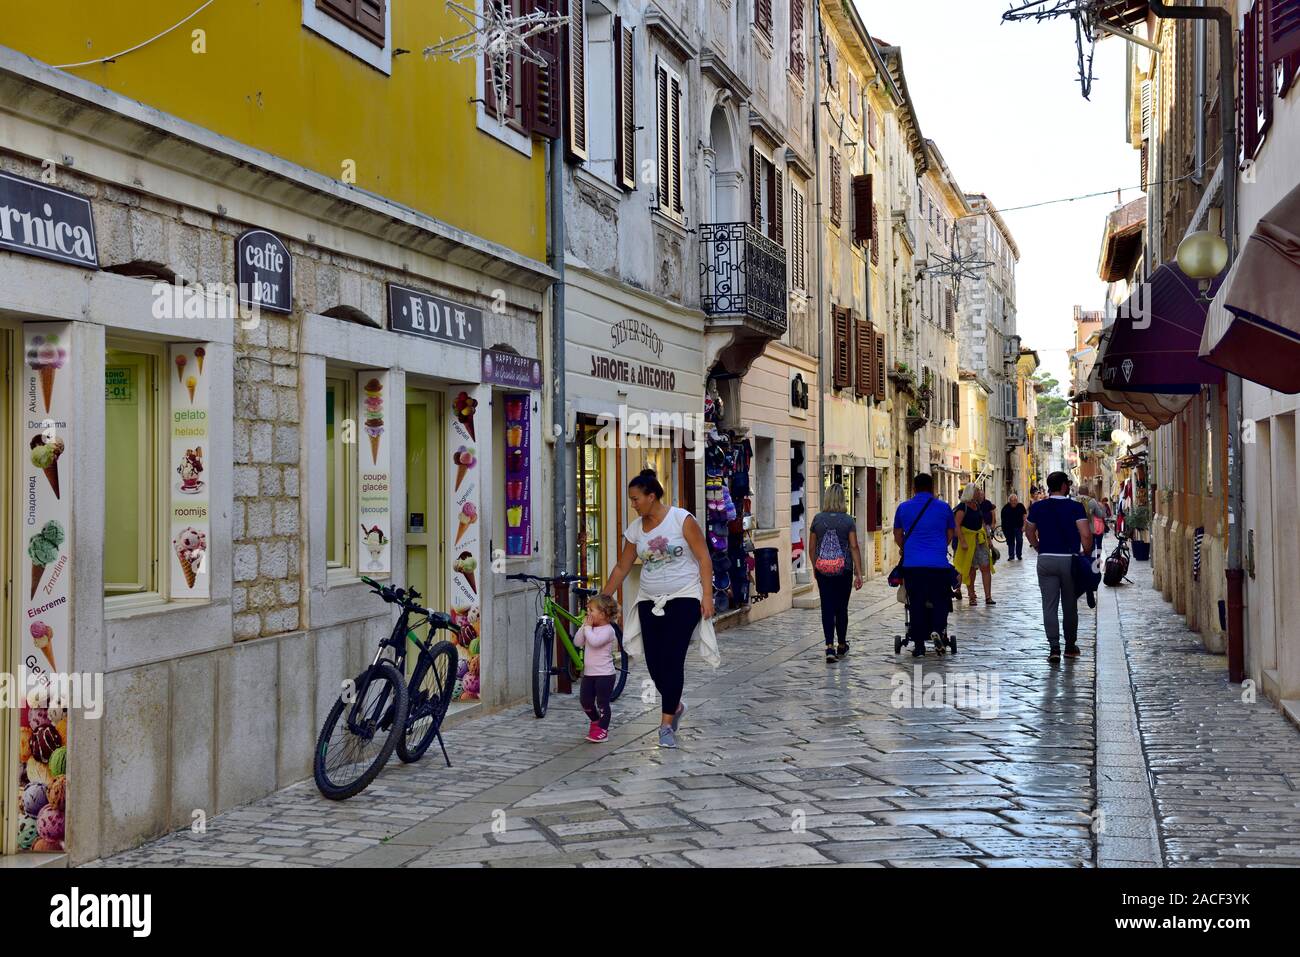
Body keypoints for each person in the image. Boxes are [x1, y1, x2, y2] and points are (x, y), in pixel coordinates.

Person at [602, 469, 716, 749]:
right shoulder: (635, 530)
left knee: (673, 658)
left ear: (652, 496)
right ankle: (675, 705)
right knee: (654, 663)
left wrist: (708, 595)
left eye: (636, 498)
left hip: (685, 596)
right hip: (649, 600)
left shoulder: (681, 520)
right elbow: (622, 566)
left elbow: (703, 557)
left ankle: (665, 725)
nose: (633, 504)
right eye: (631, 499)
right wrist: (602, 597)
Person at [1026, 471, 1094, 662]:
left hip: (1046, 559)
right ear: (1064, 486)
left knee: (1049, 605)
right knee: (1070, 605)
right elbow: (1086, 535)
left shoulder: (1038, 507)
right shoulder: (1075, 507)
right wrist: (1086, 552)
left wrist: (1038, 546)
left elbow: (1029, 531)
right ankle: (1070, 646)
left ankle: (1054, 648)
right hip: (1069, 560)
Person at [893, 473, 957, 657]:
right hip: (938, 565)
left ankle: (919, 645)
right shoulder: (944, 508)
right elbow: (950, 533)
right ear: (933, 488)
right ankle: (937, 629)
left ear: (914, 488)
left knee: (916, 604)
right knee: (940, 600)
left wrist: (908, 548)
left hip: (913, 566)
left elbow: (897, 534)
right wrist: (937, 547)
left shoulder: (903, 508)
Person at [808, 483, 864, 662]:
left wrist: (816, 566)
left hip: (823, 570)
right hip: (843, 570)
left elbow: (811, 548)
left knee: (827, 607)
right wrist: (858, 572)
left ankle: (829, 647)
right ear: (842, 499)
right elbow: (854, 546)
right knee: (841, 608)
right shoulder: (848, 521)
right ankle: (841, 644)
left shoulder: (817, 520)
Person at [574, 594, 620, 742]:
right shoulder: (589, 628)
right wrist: (583, 627)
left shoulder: (608, 630)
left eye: (591, 610)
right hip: (589, 674)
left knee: (602, 703)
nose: (589, 613)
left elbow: (594, 642)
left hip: (604, 675)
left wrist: (588, 628)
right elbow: (577, 642)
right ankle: (595, 721)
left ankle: (602, 730)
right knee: (585, 701)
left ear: (603, 614)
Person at [953, 484, 996, 606]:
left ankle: (988, 597)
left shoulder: (977, 505)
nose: (980, 492)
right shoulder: (962, 507)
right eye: (977, 491)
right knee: (970, 569)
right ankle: (972, 596)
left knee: (986, 567)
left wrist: (988, 538)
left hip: (980, 541)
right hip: (968, 541)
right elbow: (957, 525)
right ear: (971, 492)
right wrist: (962, 541)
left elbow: (982, 522)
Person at [1001, 494, 1027, 561]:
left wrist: (1024, 525)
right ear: (1009, 501)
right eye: (1012, 500)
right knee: (1010, 542)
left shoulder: (1020, 506)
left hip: (1019, 527)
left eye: (1015, 500)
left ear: (1017, 500)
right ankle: (1011, 556)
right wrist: (1004, 529)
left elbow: (1024, 515)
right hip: (1009, 528)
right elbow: (1003, 520)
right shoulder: (1005, 508)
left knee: (1019, 541)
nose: (1014, 502)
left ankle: (1019, 555)